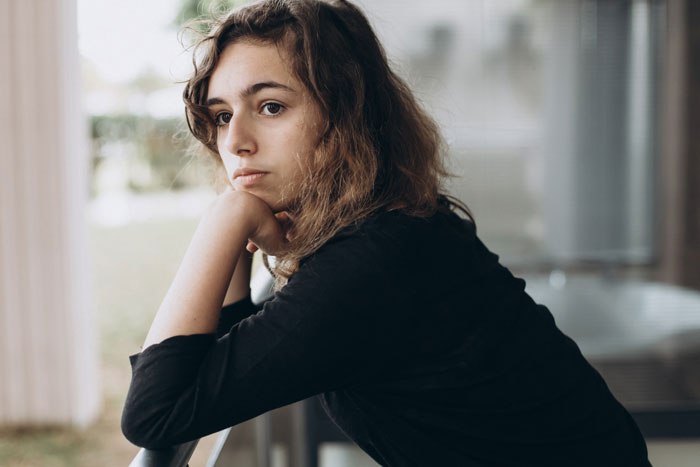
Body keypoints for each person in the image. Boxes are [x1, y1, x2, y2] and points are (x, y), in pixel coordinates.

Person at [121, 0, 651, 465]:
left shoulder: (373, 262)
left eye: (271, 107)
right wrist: (233, 227)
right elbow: (224, 364)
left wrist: (224, 219)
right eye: (220, 115)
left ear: (346, 114)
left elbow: (156, 412)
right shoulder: (392, 230)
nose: (235, 140)